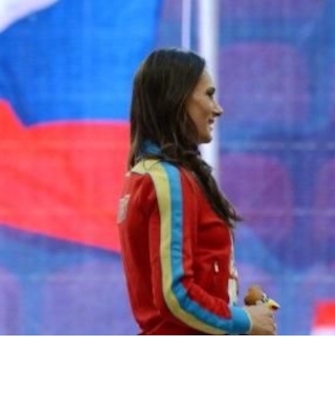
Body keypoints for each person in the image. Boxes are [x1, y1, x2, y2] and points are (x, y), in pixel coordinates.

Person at [117, 48, 277, 335]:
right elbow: (176, 296)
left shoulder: (149, 175)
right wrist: (245, 321)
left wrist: (239, 310)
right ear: (177, 99)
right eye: (209, 95)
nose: (218, 109)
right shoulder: (167, 179)